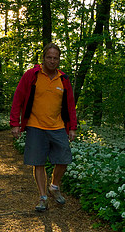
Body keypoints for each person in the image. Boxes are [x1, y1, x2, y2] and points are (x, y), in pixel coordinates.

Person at [9, 43, 78, 212]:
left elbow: (70, 105)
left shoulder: (64, 79)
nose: (52, 61)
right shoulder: (32, 75)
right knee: (38, 162)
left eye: (56, 58)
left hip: (58, 126)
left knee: (64, 159)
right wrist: (15, 124)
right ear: (43, 58)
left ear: (59, 59)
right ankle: (43, 197)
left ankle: (54, 186)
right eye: (49, 57)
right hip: (35, 126)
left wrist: (72, 127)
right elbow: (18, 98)